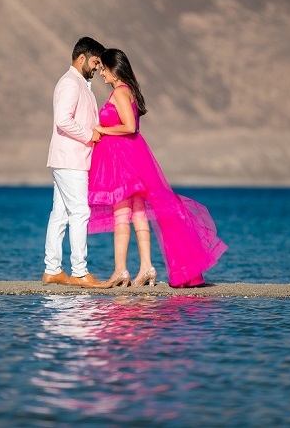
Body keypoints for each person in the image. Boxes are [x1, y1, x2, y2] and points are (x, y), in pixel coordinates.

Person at [88, 49, 227, 288]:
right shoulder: (127, 91)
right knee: (139, 214)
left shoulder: (120, 93)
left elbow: (130, 127)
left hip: (124, 160)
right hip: (132, 157)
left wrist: (102, 130)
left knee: (122, 214)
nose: (101, 74)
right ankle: (146, 268)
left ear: (114, 69)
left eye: (103, 69)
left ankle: (121, 271)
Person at [43, 37, 106, 288]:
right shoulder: (70, 83)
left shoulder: (80, 83)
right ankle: (79, 271)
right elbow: (63, 120)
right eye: (95, 62)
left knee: (60, 214)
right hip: (71, 159)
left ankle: (52, 269)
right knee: (80, 212)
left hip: (68, 157)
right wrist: (90, 134)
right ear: (82, 58)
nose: (97, 68)